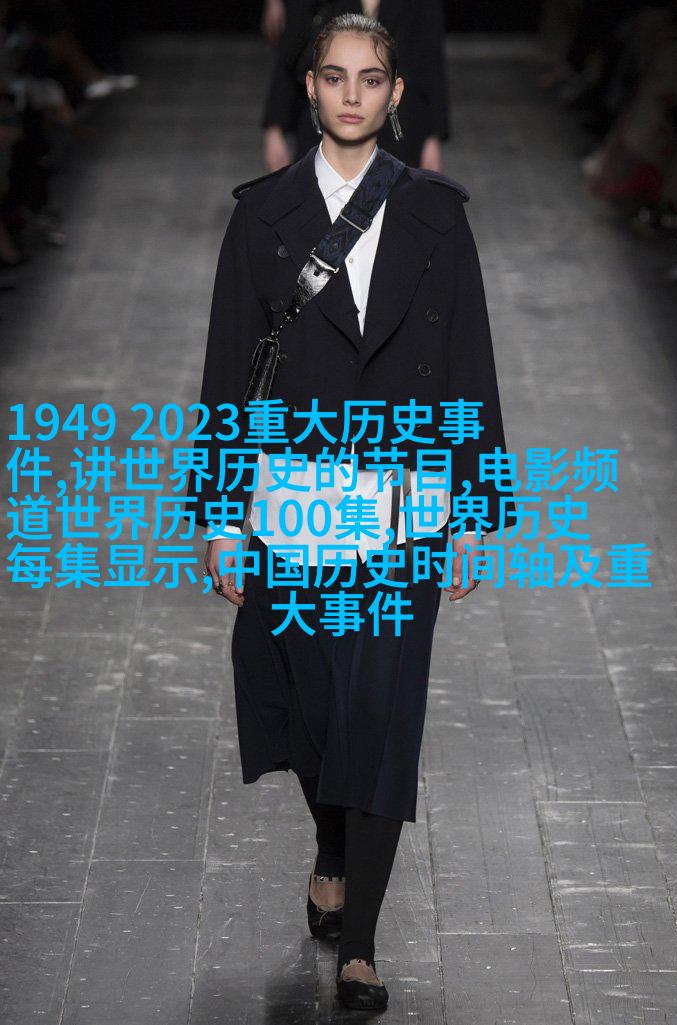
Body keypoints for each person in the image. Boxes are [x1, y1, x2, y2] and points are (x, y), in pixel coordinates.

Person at [187, 12, 516, 1012]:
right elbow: (229, 368)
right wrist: (219, 511)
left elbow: (465, 358)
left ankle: (361, 943)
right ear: (309, 86)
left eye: (369, 79)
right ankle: (332, 843)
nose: (350, 95)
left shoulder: (435, 214)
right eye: (333, 77)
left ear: (395, 94)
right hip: (295, 496)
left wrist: (474, 508)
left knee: (381, 708)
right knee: (299, 694)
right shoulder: (264, 215)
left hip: (405, 498)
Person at [260, 0, 450, 172]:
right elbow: (291, 51)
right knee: (319, 193)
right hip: (324, 122)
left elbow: (431, 58)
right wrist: (274, 127)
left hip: (401, 121)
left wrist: (433, 136)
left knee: (395, 195)